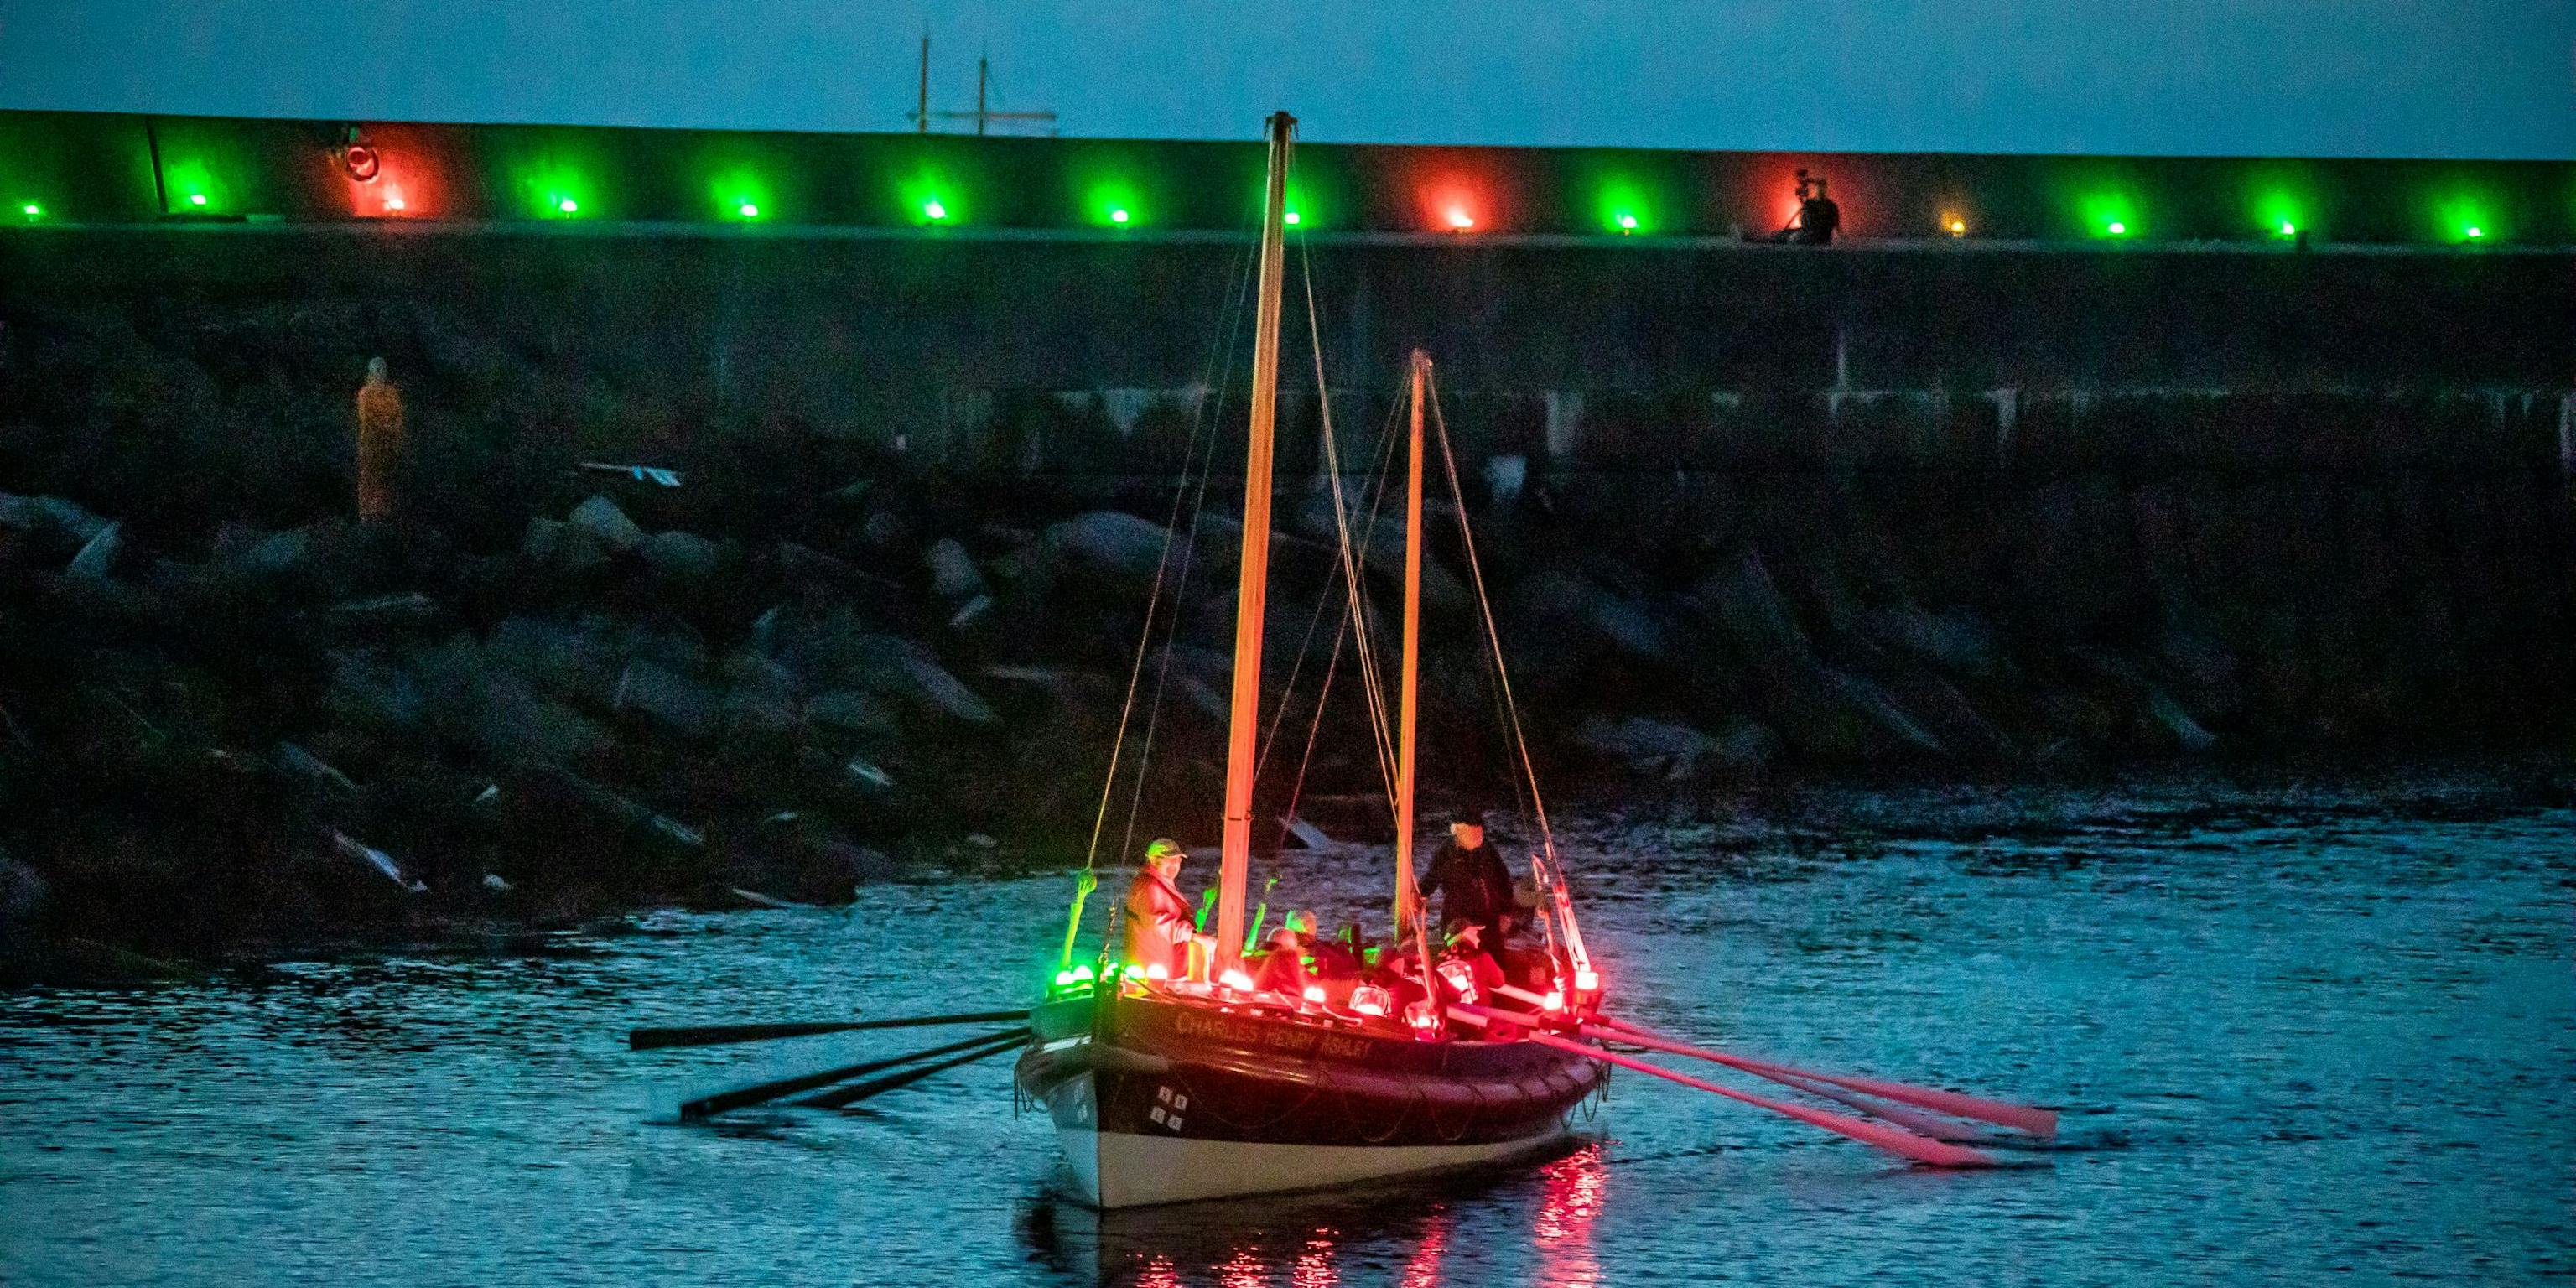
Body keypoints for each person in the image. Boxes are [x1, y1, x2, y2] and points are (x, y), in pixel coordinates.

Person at [1418, 812, 1514, 966]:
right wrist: (1419, 894)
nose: (1478, 837)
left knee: (1495, 962)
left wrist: (1506, 912)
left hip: (1489, 918)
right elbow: (1431, 877)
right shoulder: (1447, 853)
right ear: (1459, 832)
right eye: (1473, 833)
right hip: (1458, 921)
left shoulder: (1487, 849)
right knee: (1461, 962)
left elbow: (1504, 881)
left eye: (1480, 833)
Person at [1121, 838, 1202, 979]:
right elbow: (1157, 923)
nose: (1174, 864)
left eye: (1177, 859)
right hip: (1150, 972)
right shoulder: (1148, 886)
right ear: (1152, 860)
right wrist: (1194, 936)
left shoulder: (1161, 883)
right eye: (1168, 859)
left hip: (1163, 967)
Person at [355, 357, 405, 522]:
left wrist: (395, 434)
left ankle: (383, 510)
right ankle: (367, 512)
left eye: (382, 370)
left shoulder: (391, 393)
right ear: (370, 372)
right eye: (376, 371)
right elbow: (366, 419)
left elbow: (398, 415)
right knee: (369, 475)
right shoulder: (365, 393)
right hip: (371, 442)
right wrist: (384, 427)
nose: (379, 374)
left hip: (388, 442)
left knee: (385, 476)